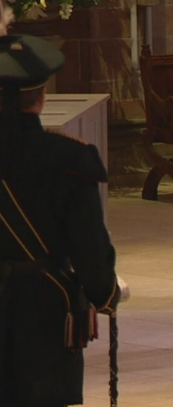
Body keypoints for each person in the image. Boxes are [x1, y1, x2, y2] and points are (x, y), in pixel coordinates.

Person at [0, 34, 120, 406]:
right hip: (45, 308)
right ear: (41, 96)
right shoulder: (70, 159)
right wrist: (105, 293)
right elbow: (89, 244)